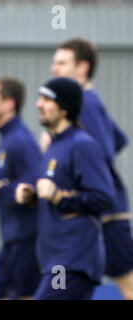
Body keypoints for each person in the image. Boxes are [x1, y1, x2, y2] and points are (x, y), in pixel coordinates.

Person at [45, 38, 133, 299]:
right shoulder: (88, 102)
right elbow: (118, 139)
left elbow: (101, 151)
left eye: (61, 63)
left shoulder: (86, 103)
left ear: (82, 68)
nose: (54, 69)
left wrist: (59, 146)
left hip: (106, 213)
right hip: (101, 213)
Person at [16, 77, 115, 300]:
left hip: (71, 261)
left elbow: (104, 197)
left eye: (46, 99)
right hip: (55, 260)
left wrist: (58, 195)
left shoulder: (82, 145)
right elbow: (54, 193)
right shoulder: (55, 146)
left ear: (64, 108)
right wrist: (33, 197)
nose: (38, 104)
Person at [0, 78, 42, 299]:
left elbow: (33, 190)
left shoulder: (19, 141)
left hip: (28, 242)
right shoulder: (7, 139)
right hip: (12, 242)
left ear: (8, 104)